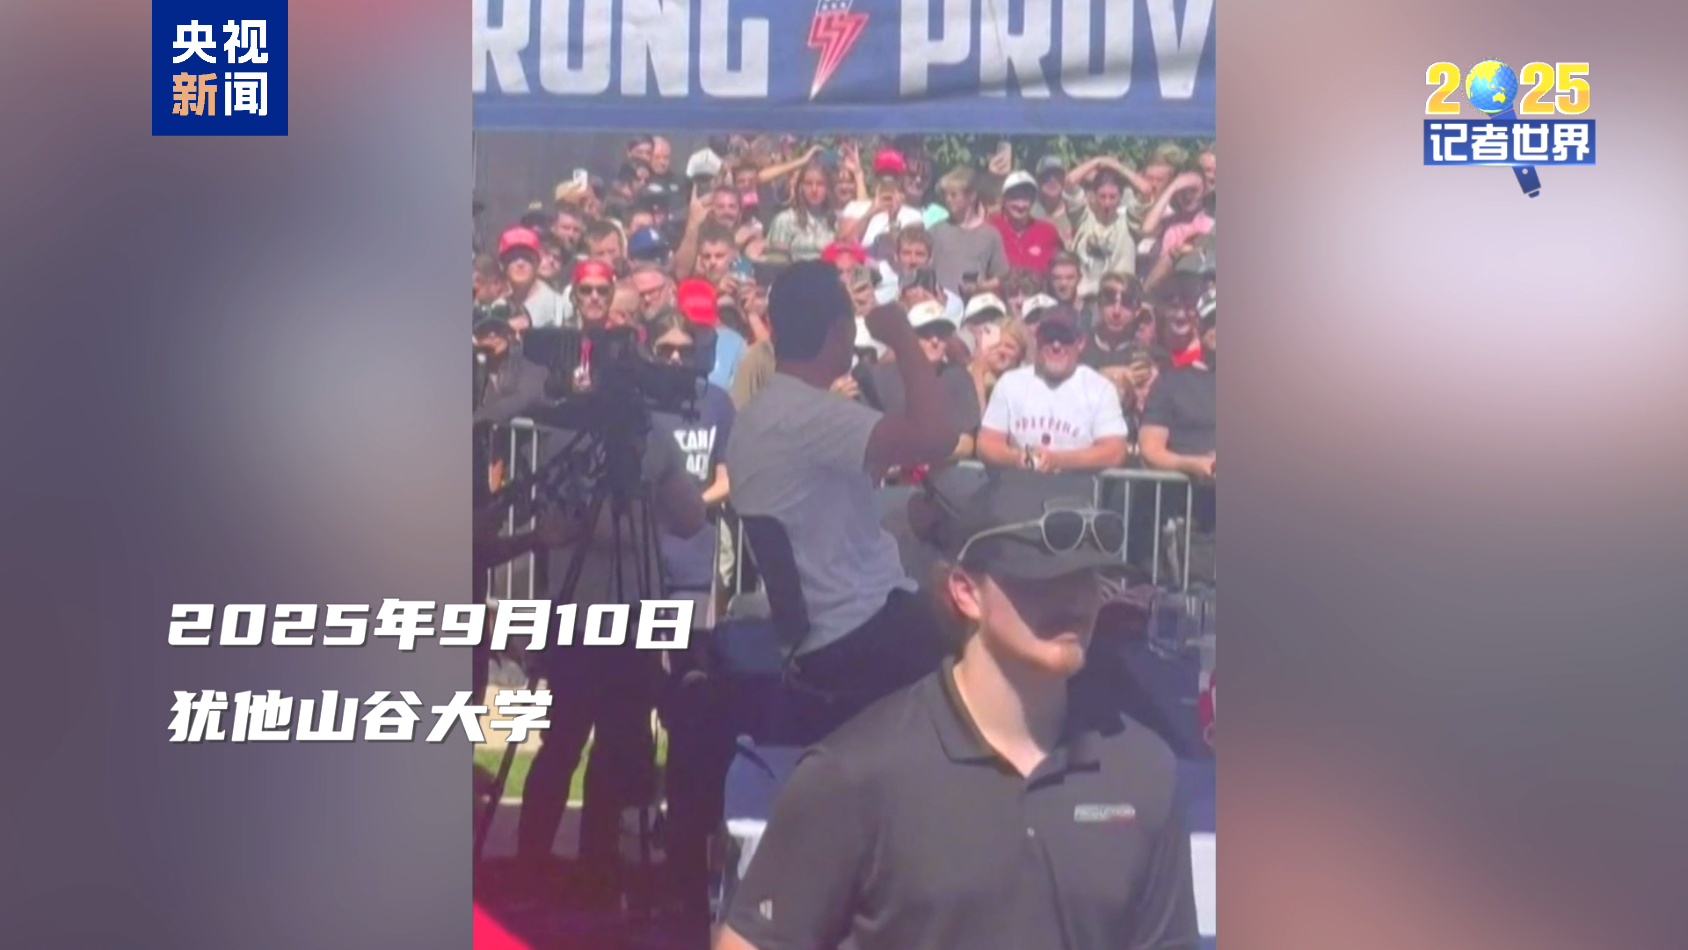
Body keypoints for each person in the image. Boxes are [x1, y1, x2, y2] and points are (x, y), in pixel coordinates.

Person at [717, 469, 1199, 950]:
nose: (1074, 599)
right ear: (966, 592)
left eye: (1087, 577)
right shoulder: (856, 774)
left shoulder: (1143, 771)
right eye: (1043, 579)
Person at [725, 261, 959, 736]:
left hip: (814, 634)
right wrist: (901, 336)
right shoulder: (812, 415)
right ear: (839, 331)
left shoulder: (757, 417)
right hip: (862, 630)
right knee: (997, 634)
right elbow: (939, 438)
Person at [514, 394, 708, 908]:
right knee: (562, 743)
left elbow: (691, 518)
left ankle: (597, 868)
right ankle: (530, 862)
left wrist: (660, 473)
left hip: (634, 615)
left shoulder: (653, 432)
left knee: (618, 747)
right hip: (577, 614)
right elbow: (585, 527)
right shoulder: (569, 433)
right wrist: (639, 492)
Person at [976, 305, 1130, 474]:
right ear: (1037, 339)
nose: (1056, 345)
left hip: (1075, 488)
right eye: (1049, 336)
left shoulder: (1100, 389)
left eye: (1065, 337)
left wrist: (1058, 460)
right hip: (1019, 485)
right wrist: (1017, 458)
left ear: (1080, 343)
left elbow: (1115, 452)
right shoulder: (1010, 383)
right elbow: (986, 443)